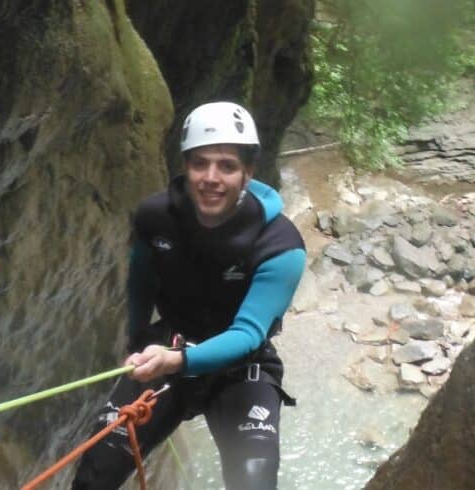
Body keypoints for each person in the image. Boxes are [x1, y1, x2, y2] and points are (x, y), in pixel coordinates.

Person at [71, 101, 306, 490]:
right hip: (167, 346)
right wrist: (137, 342)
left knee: (254, 479)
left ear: (248, 172)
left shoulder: (280, 245)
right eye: (200, 163)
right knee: (96, 473)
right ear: (185, 166)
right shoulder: (155, 218)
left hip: (241, 366)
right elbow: (141, 284)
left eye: (227, 166)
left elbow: (248, 334)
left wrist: (172, 361)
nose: (210, 177)